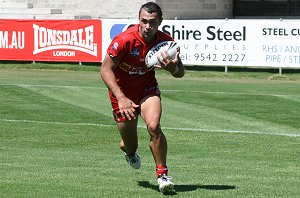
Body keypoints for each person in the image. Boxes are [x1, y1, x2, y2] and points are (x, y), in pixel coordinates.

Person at [100, 2, 184, 194]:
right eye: (144, 21)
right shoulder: (124, 40)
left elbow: (180, 72)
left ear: (160, 22)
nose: (148, 26)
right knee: (130, 145)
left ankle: (162, 175)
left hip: (147, 89)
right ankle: (129, 152)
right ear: (139, 20)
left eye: (152, 22)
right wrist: (121, 98)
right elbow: (105, 69)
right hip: (122, 95)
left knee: (154, 126)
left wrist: (173, 68)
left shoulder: (166, 43)